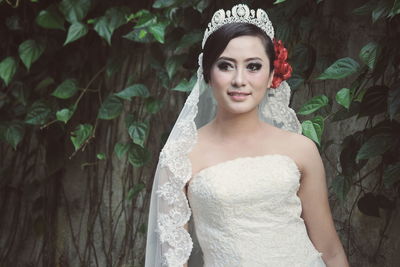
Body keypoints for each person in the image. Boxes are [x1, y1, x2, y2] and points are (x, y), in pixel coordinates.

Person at [145, 4, 349, 267]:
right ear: (207, 75)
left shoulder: (302, 149)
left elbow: (330, 250)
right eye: (226, 66)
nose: (239, 79)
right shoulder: (181, 155)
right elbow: (173, 261)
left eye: (253, 66)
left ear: (271, 76)